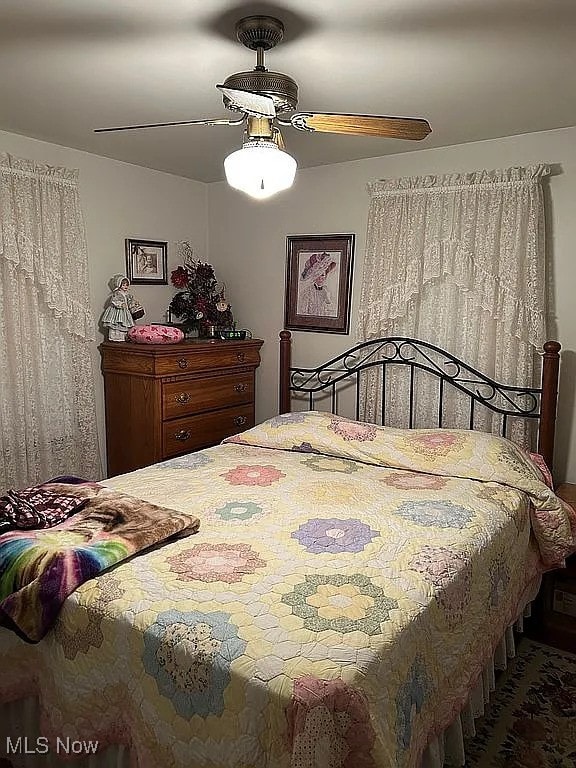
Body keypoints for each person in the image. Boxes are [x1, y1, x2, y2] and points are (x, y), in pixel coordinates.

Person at [297, 251, 338, 317]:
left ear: (325, 276)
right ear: (313, 276)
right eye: (317, 275)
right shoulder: (307, 292)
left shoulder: (327, 291)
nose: (320, 278)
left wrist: (328, 299)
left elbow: (333, 313)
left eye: (322, 275)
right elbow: (302, 313)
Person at [101, 275, 135, 341]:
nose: (125, 287)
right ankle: (115, 336)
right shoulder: (117, 293)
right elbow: (114, 301)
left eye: (126, 285)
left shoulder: (128, 294)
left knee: (125, 323)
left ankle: (123, 337)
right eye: (123, 285)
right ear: (119, 285)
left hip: (125, 311)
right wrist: (120, 304)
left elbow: (130, 301)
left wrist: (132, 304)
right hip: (117, 311)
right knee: (117, 322)